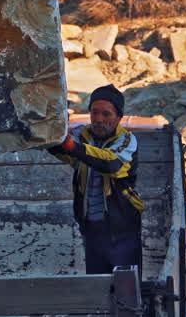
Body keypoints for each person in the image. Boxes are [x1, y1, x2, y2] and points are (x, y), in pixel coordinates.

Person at [49, 84, 144, 276]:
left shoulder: (126, 140)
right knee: (97, 286)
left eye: (106, 114)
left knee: (126, 290)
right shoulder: (81, 135)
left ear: (119, 118)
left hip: (122, 230)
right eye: (94, 112)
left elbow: (110, 163)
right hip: (92, 229)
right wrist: (51, 135)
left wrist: (72, 146)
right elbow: (63, 151)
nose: (99, 119)